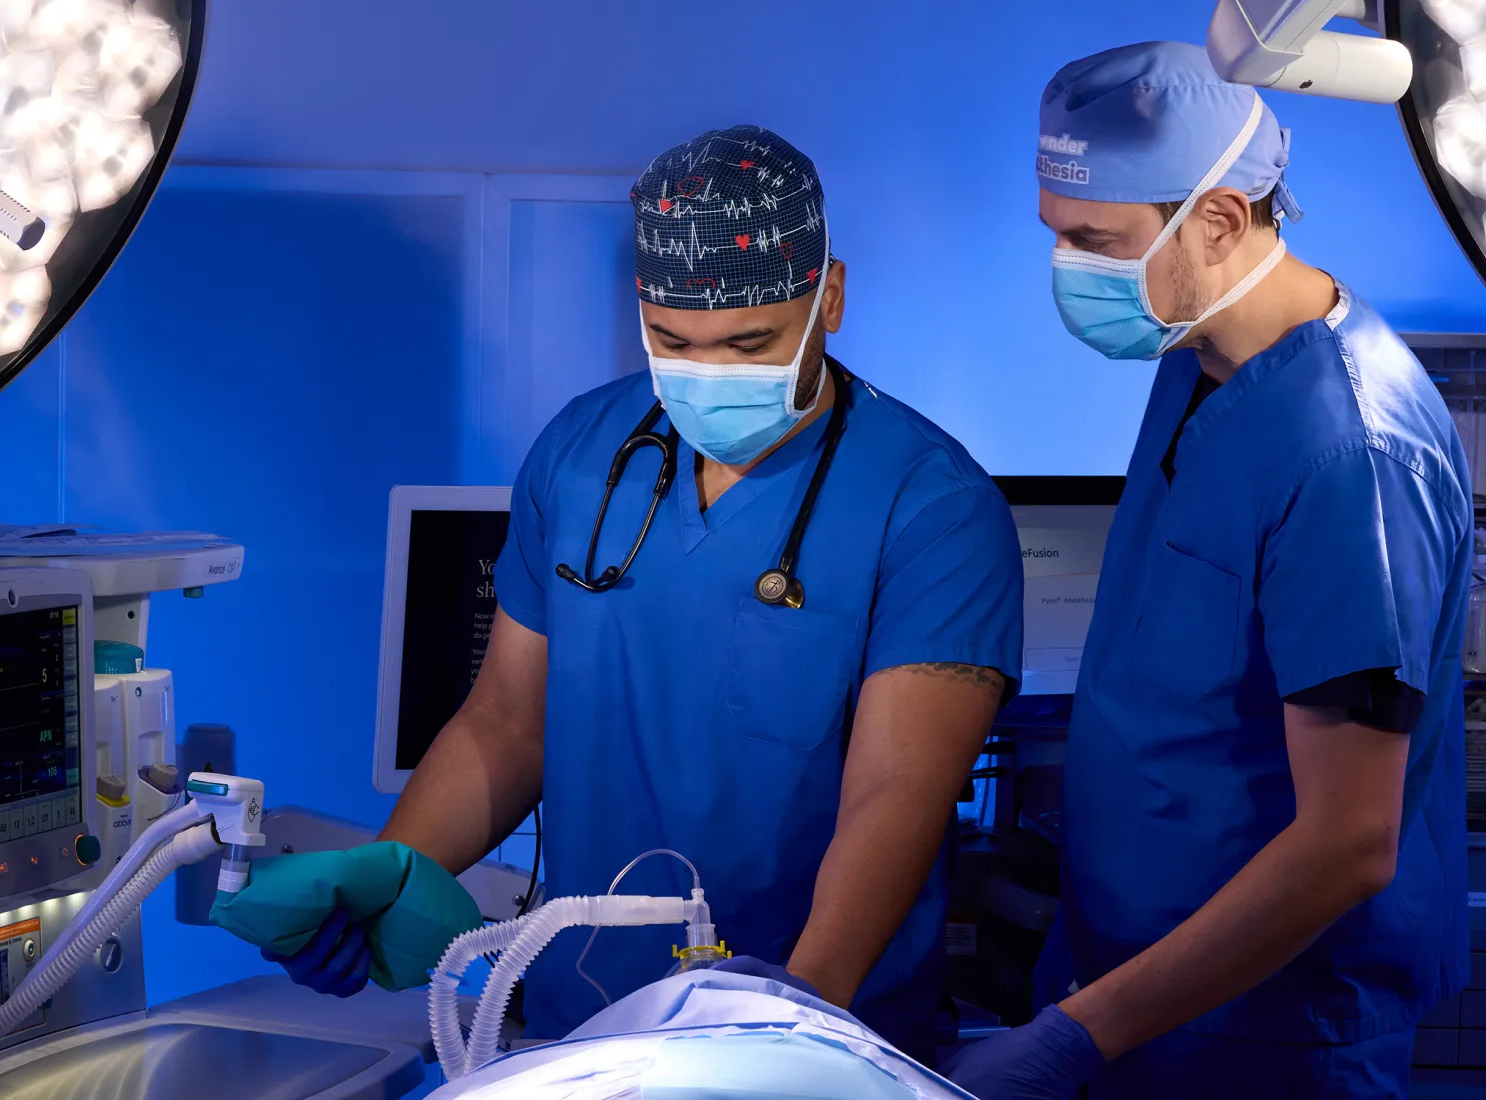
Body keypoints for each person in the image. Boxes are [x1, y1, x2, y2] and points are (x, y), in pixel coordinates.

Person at [268, 125, 1023, 1060]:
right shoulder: (580, 454)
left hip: (817, 1031)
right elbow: (508, 723)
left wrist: (801, 1008)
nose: (713, 376)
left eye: (750, 343)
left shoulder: (932, 506)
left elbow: (898, 793)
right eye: (676, 342)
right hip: (580, 1022)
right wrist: (395, 871)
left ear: (829, 296)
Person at [943, 43, 1473, 1098]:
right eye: (1056, 235)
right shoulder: (1199, 354)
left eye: (1095, 240)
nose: (1068, 269)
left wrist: (1077, 1035)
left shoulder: (1350, 454)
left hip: (1265, 1039)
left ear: (1221, 219)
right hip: (1127, 987)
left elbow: (1347, 843)